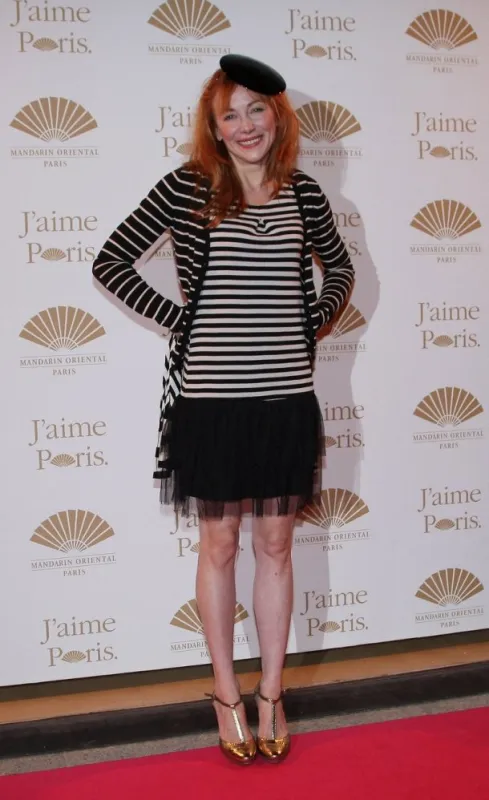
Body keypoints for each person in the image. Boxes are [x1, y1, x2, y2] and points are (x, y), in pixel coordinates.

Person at [92, 54, 355, 765]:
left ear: (277, 115)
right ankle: (224, 692)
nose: (244, 126)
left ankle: (271, 692)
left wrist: (313, 320)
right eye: (228, 115)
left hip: (284, 401)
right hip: (209, 402)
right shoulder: (188, 189)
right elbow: (110, 260)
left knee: (274, 546)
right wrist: (181, 320)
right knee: (219, 546)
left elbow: (343, 270)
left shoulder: (303, 194)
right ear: (212, 127)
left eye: (255, 110)